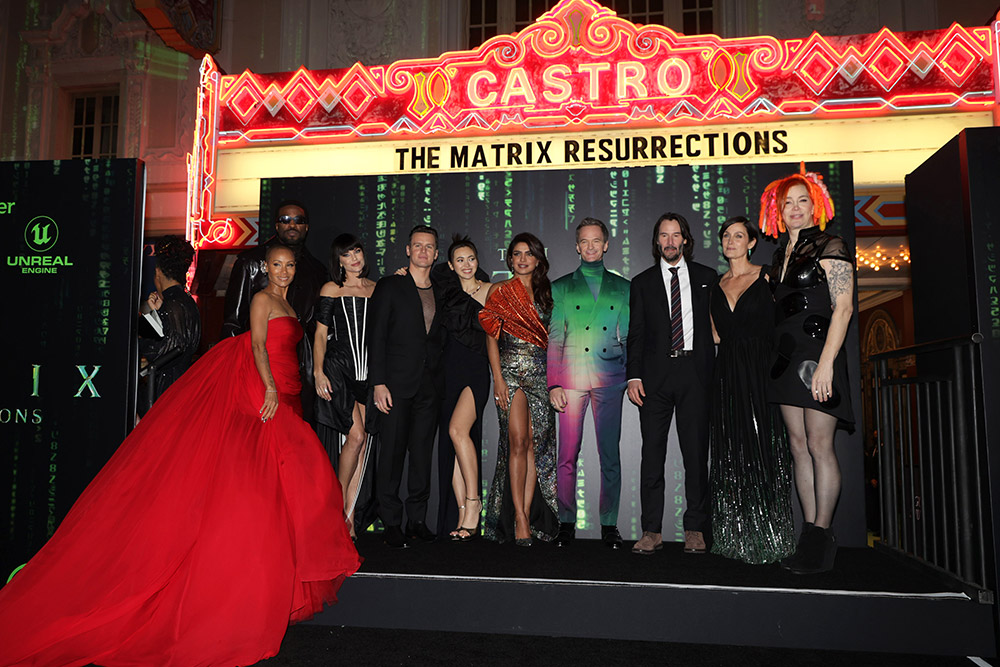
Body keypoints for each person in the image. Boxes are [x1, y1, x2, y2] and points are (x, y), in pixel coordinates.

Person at [0, 244, 361, 667]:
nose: (283, 271)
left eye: (289, 265)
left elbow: (190, 344)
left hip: (266, 391)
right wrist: (266, 386)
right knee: (257, 484)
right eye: (277, 265)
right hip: (227, 392)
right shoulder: (247, 300)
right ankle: (240, 587)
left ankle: (276, 580)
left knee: (287, 484)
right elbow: (248, 346)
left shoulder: (276, 302)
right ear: (266, 267)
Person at [760, 164, 855, 574]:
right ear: (778, 211)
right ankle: (808, 535)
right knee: (797, 446)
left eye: (802, 201)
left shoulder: (831, 245)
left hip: (819, 356)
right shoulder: (779, 254)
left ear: (814, 206)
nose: (795, 208)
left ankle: (822, 535)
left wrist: (827, 365)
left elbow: (844, 308)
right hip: (785, 360)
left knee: (819, 445)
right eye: (788, 203)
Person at [627, 213, 718, 556]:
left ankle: (695, 528)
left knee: (696, 455)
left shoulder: (708, 278)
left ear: (685, 240)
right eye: (664, 235)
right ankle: (651, 530)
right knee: (652, 455)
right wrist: (634, 376)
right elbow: (636, 334)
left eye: (675, 235)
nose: (670, 241)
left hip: (695, 374)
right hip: (655, 378)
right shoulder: (642, 282)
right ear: (657, 241)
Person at [708, 216, 795, 564]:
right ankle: (735, 535)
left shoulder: (768, 277)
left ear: (752, 242)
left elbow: (788, 323)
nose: (731, 241)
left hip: (762, 372)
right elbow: (716, 335)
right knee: (732, 450)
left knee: (764, 448)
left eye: (738, 236)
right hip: (727, 374)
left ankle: (772, 537)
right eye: (726, 236)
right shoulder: (716, 285)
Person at [547, 217, 630, 549]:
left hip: (610, 378)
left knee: (610, 455)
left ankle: (609, 525)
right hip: (570, 378)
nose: (591, 246)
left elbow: (630, 337)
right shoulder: (561, 287)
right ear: (577, 247)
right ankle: (566, 523)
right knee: (567, 455)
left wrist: (631, 375)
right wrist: (553, 383)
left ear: (606, 245)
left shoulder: (623, 287)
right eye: (585, 241)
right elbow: (555, 338)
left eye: (597, 240)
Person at [368, 225, 449, 548]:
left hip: (430, 386)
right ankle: (390, 521)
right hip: (395, 384)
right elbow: (375, 336)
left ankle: (417, 520)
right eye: (417, 245)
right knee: (391, 454)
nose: (423, 251)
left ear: (436, 253)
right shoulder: (390, 285)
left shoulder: (442, 289)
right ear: (407, 250)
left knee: (422, 455)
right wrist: (378, 382)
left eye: (429, 247)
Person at [479, 232, 559, 545]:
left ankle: (524, 512)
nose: (522, 259)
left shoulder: (547, 293)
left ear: (538, 259)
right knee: (516, 441)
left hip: (541, 373)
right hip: (510, 372)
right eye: (517, 253)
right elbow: (491, 338)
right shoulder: (499, 290)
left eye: (529, 253)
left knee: (535, 446)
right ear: (510, 259)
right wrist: (497, 378)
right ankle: (521, 519)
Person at [221, 200, 327, 423]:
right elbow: (233, 322)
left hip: (302, 370)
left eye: (299, 220)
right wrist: (234, 373)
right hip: (258, 370)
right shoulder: (250, 261)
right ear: (276, 225)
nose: (292, 225)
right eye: (285, 220)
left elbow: (319, 325)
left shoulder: (317, 270)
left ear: (307, 227)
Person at [313, 234, 376, 540]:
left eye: (357, 251)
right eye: (347, 254)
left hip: (369, 374)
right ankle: (335, 506)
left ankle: (349, 518)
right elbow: (320, 335)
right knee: (356, 436)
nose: (354, 258)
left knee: (364, 445)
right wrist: (317, 371)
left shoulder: (376, 289)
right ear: (338, 260)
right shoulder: (331, 289)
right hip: (339, 371)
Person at [435, 235, 492, 541]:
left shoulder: (491, 290)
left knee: (458, 431)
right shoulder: (445, 291)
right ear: (450, 265)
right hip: (448, 371)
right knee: (454, 440)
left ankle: (474, 503)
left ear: (477, 261)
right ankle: (462, 516)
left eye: (471, 258)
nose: (467, 264)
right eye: (460, 260)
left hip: (475, 370)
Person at [139, 235, 200, 412]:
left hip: (167, 391)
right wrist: (155, 314)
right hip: (178, 387)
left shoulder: (175, 303)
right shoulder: (184, 301)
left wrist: (142, 328)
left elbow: (164, 351)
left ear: (158, 272)